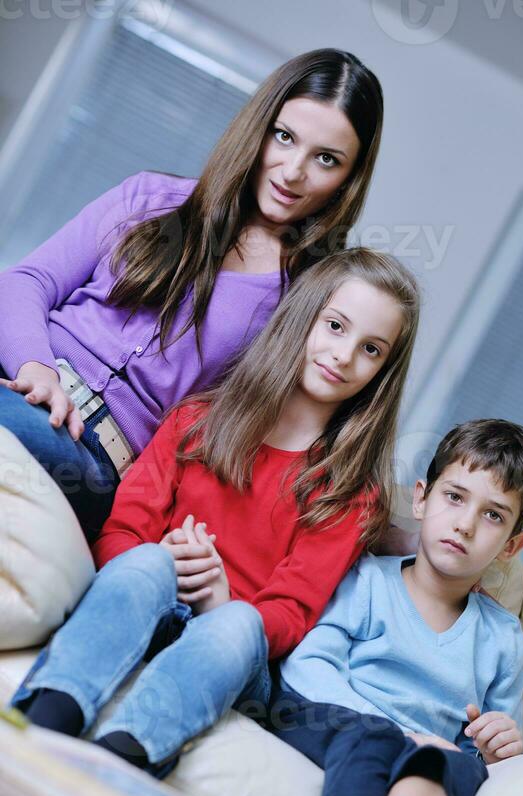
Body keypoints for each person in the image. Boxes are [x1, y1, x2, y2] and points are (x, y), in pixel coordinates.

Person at [11, 248, 420, 787]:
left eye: (370, 349)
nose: (343, 355)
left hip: (233, 643)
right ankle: (46, 718)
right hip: (151, 603)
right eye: (335, 327)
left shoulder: (348, 490)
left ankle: (122, 758)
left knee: (238, 624)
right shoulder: (198, 420)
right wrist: (164, 561)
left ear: (383, 373)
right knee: (144, 566)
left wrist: (218, 598)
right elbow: (119, 533)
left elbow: (290, 612)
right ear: (303, 319)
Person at [0, 48, 383, 541]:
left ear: (348, 180)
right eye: (284, 137)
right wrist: (35, 366)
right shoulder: (150, 196)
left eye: (325, 159)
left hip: (89, 451)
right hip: (19, 376)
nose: (292, 171)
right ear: (259, 127)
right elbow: (26, 281)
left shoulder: (312, 301)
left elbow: (299, 441)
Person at [267, 419, 523, 796]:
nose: (465, 524)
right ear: (421, 499)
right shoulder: (368, 580)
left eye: (492, 516)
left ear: (512, 545)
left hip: (422, 753)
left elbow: (483, 746)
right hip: (333, 719)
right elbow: (307, 668)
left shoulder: (502, 641)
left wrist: (495, 746)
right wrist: (399, 731)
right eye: (455, 497)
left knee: (455, 766)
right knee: (374, 737)